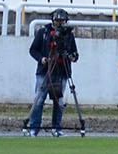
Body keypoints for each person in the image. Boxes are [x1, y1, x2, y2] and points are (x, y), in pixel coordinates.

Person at [24, 9, 78, 137]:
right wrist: (42, 59)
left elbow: (75, 53)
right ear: (53, 20)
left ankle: (56, 128)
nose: (59, 23)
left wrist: (71, 57)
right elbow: (33, 50)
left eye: (62, 21)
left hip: (62, 72)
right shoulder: (43, 32)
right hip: (45, 70)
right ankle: (34, 127)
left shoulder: (68, 35)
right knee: (39, 99)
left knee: (59, 101)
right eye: (57, 20)